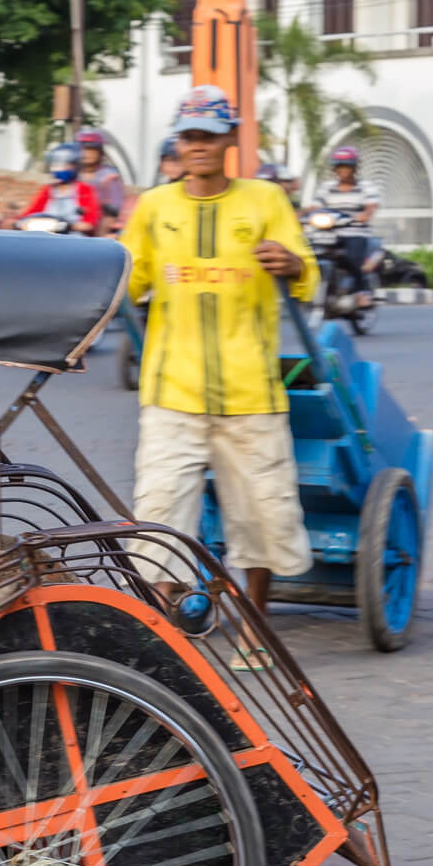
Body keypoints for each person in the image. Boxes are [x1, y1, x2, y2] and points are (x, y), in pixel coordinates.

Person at [123, 85, 319, 670]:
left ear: (231, 139)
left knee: (262, 511)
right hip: (171, 393)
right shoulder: (155, 208)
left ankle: (255, 628)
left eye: (209, 135)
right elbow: (125, 281)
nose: (199, 146)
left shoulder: (265, 201)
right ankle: (165, 632)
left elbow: (304, 272)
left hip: (250, 392)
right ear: (178, 143)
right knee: (158, 512)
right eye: (189, 136)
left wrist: (293, 263)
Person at [308, 147, 384, 303]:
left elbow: (371, 206)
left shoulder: (365, 186)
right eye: (339, 166)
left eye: (347, 166)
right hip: (329, 233)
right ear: (335, 169)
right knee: (310, 253)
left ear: (354, 168)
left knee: (352, 258)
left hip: (355, 231)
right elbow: (314, 208)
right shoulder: (326, 188)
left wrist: (364, 215)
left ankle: (362, 291)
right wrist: (299, 215)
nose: (343, 170)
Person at [11, 142, 101, 234]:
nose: (60, 168)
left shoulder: (84, 190)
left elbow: (90, 222)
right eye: (57, 164)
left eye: (66, 164)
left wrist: (72, 226)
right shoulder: (48, 190)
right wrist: (18, 221)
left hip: (73, 237)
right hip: (48, 234)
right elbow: (32, 211)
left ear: (75, 166)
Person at [77, 128, 130, 235]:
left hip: (99, 222)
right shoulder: (72, 174)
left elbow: (113, 209)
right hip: (73, 220)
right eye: (83, 149)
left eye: (91, 150)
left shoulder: (109, 176)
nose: (86, 154)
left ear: (100, 152)